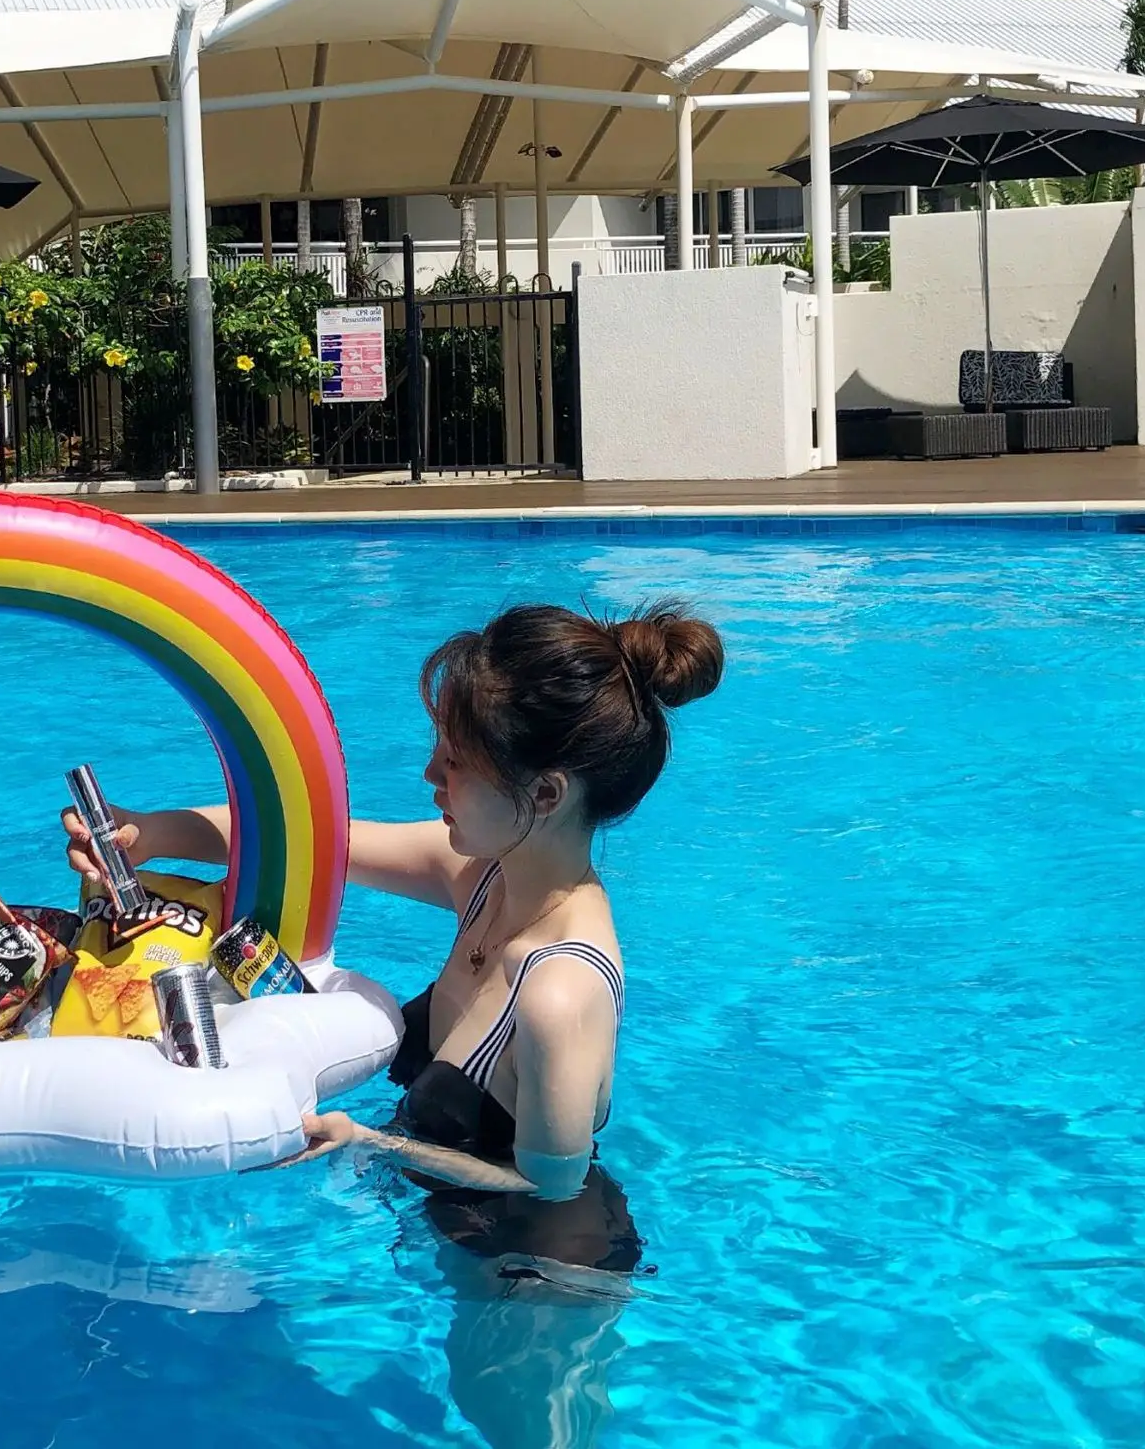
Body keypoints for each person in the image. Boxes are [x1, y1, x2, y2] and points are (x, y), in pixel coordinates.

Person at [62, 600, 723, 1445]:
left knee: (514, 1422)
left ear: (546, 793)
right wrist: (149, 833)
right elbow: (318, 840)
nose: (428, 777)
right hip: (461, 1228)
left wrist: (365, 1144)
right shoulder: (482, 874)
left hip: (540, 1279)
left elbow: (546, 1187)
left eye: (454, 761)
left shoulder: (559, 990)